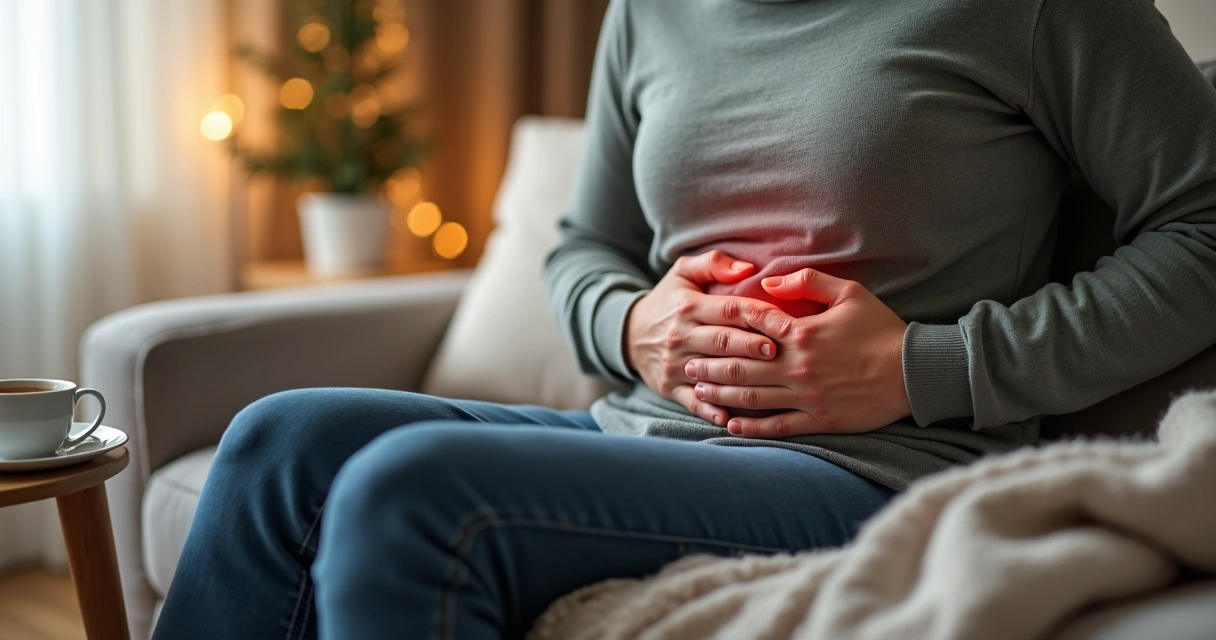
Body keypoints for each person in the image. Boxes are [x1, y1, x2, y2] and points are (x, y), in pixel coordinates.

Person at [153, 0, 1216, 638]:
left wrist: (919, 365)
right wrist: (631, 327)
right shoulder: (650, 11)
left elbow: (1204, 226)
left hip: (865, 469)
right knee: (281, 440)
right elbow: (584, 244)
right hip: (636, 431)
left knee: (413, 490)